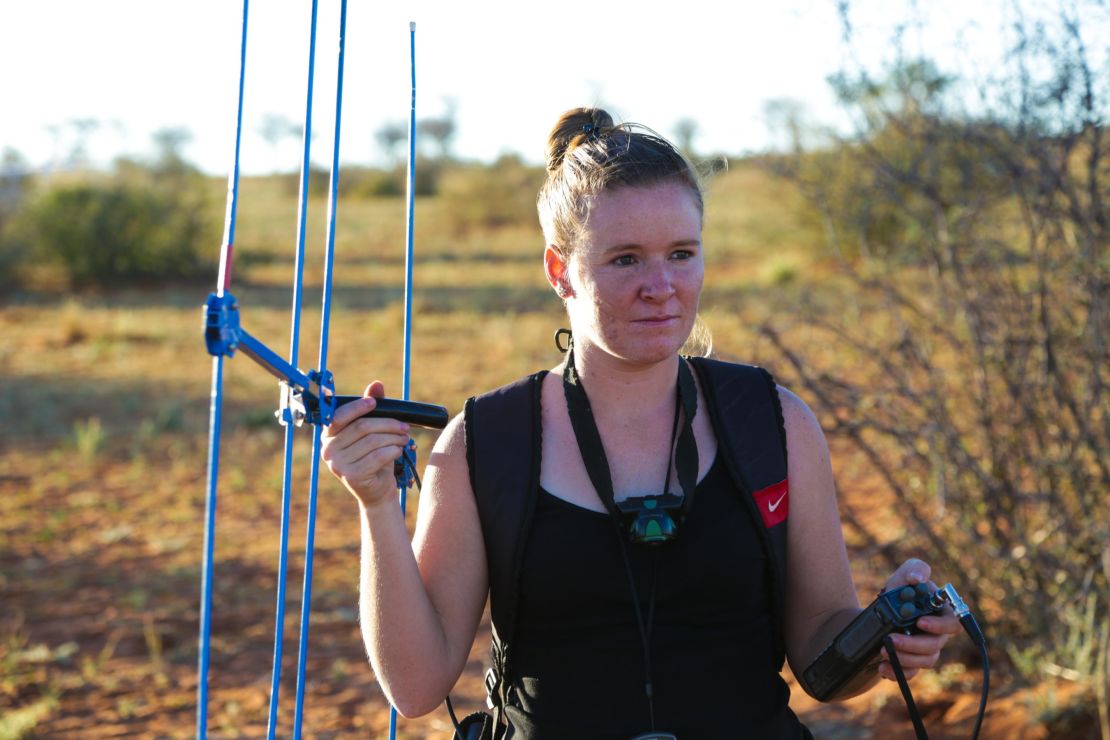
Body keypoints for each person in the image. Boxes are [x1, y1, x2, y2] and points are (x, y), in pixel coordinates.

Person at [321, 107, 960, 738]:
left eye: (681, 253)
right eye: (625, 259)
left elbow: (823, 664)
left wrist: (880, 643)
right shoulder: (487, 441)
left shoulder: (774, 423)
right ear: (558, 270)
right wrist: (377, 505)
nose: (661, 286)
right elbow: (416, 687)